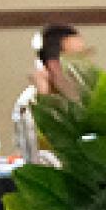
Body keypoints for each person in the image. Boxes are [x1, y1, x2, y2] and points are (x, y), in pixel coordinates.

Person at [13, 23, 89, 158]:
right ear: (53, 64)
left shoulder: (88, 95)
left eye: (86, 56)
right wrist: (46, 98)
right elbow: (39, 158)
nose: (86, 65)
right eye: (77, 58)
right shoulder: (30, 103)